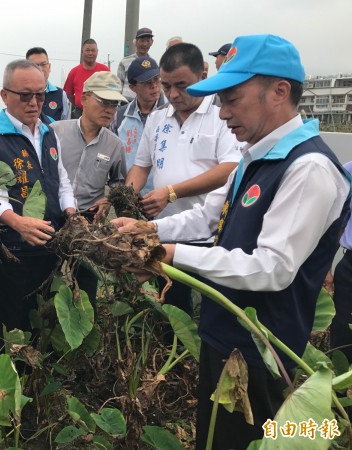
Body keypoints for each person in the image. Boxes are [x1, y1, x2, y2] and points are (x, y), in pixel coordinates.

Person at [114, 34, 351, 450]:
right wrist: (150, 232)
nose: (221, 114)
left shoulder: (308, 167)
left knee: (248, 440)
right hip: (224, 332)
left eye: (232, 100)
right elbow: (209, 218)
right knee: (215, 436)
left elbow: (271, 267)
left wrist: (169, 255)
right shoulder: (253, 155)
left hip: (262, 350)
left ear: (279, 92)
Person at [125, 43, 240, 316]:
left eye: (182, 85)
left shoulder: (221, 115)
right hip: (164, 231)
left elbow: (230, 168)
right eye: (166, 86)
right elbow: (141, 166)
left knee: (210, 308)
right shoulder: (156, 119)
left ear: (203, 74)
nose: (173, 94)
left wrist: (171, 192)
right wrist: (125, 197)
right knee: (172, 308)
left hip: (210, 234)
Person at [0, 60, 76, 360]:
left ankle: (38, 390)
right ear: (5, 95)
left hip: (51, 243)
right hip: (13, 248)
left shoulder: (48, 132)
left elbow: (62, 180)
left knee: (43, 319)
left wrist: (72, 213)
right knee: (10, 323)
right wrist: (17, 223)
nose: (34, 103)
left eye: (41, 95)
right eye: (25, 95)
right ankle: (4, 390)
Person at [51, 71, 126, 302]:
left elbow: (120, 184)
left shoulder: (115, 145)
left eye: (114, 104)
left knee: (86, 288)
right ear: (83, 99)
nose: (110, 110)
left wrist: (108, 199)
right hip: (51, 215)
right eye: (103, 101)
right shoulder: (55, 132)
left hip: (88, 221)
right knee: (45, 280)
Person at [112, 56, 165, 195]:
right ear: (132, 87)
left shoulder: (171, 113)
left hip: (163, 196)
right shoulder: (120, 116)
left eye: (156, 79)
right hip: (130, 194)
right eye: (147, 82)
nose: (154, 86)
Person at [330, 160, 352, 361]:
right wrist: (325, 267)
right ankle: (340, 388)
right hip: (350, 270)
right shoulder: (349, 171)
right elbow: (338, 222)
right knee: (343, 331)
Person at [63, 39, 109, 118]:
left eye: (93, 50)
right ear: (82, 52)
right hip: (79, 113)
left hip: (100, 113)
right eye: (87, 50)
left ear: (97, 52)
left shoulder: (105, 70)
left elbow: (111, 91)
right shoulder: (74, 72)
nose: (90, 53)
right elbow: (68, 93)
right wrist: (79, 102)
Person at [26, 47, 70, 121]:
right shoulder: (21, 94)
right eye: (35, 65)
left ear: (49, 67)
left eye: (43, 64)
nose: (40, 69)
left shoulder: (61, 94)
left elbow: (65, 124)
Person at [116, 27, 155, 102]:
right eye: (142, 40)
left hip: (146, 104)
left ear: (152, 42)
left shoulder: (153, 64)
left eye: (148, 41)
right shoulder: (125, 61)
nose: (144, 44)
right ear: (136, 42)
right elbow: (118, 84)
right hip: (126, 103)